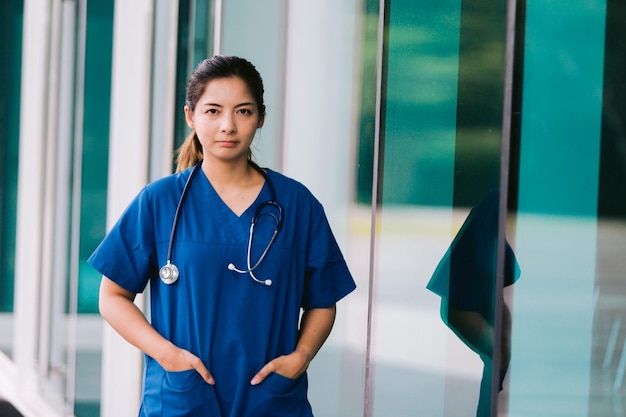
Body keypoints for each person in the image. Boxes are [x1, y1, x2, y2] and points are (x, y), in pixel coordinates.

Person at [88, 55, 356, 417]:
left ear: (261, 117)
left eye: (243, 112)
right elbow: (113, 296)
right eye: (213, 111)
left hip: (271, 401)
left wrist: (301, 358)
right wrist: (167, 355)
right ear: (190, 116)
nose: (227, 126)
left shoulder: (297, 204)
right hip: (184, 398)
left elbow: (323, 300)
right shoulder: (159, 201)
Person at [427, 189, 520, 417]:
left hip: (468, 298)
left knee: (499, 357)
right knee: (500, 355)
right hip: (462, 303)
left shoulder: (498, 204)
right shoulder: (500, 202)